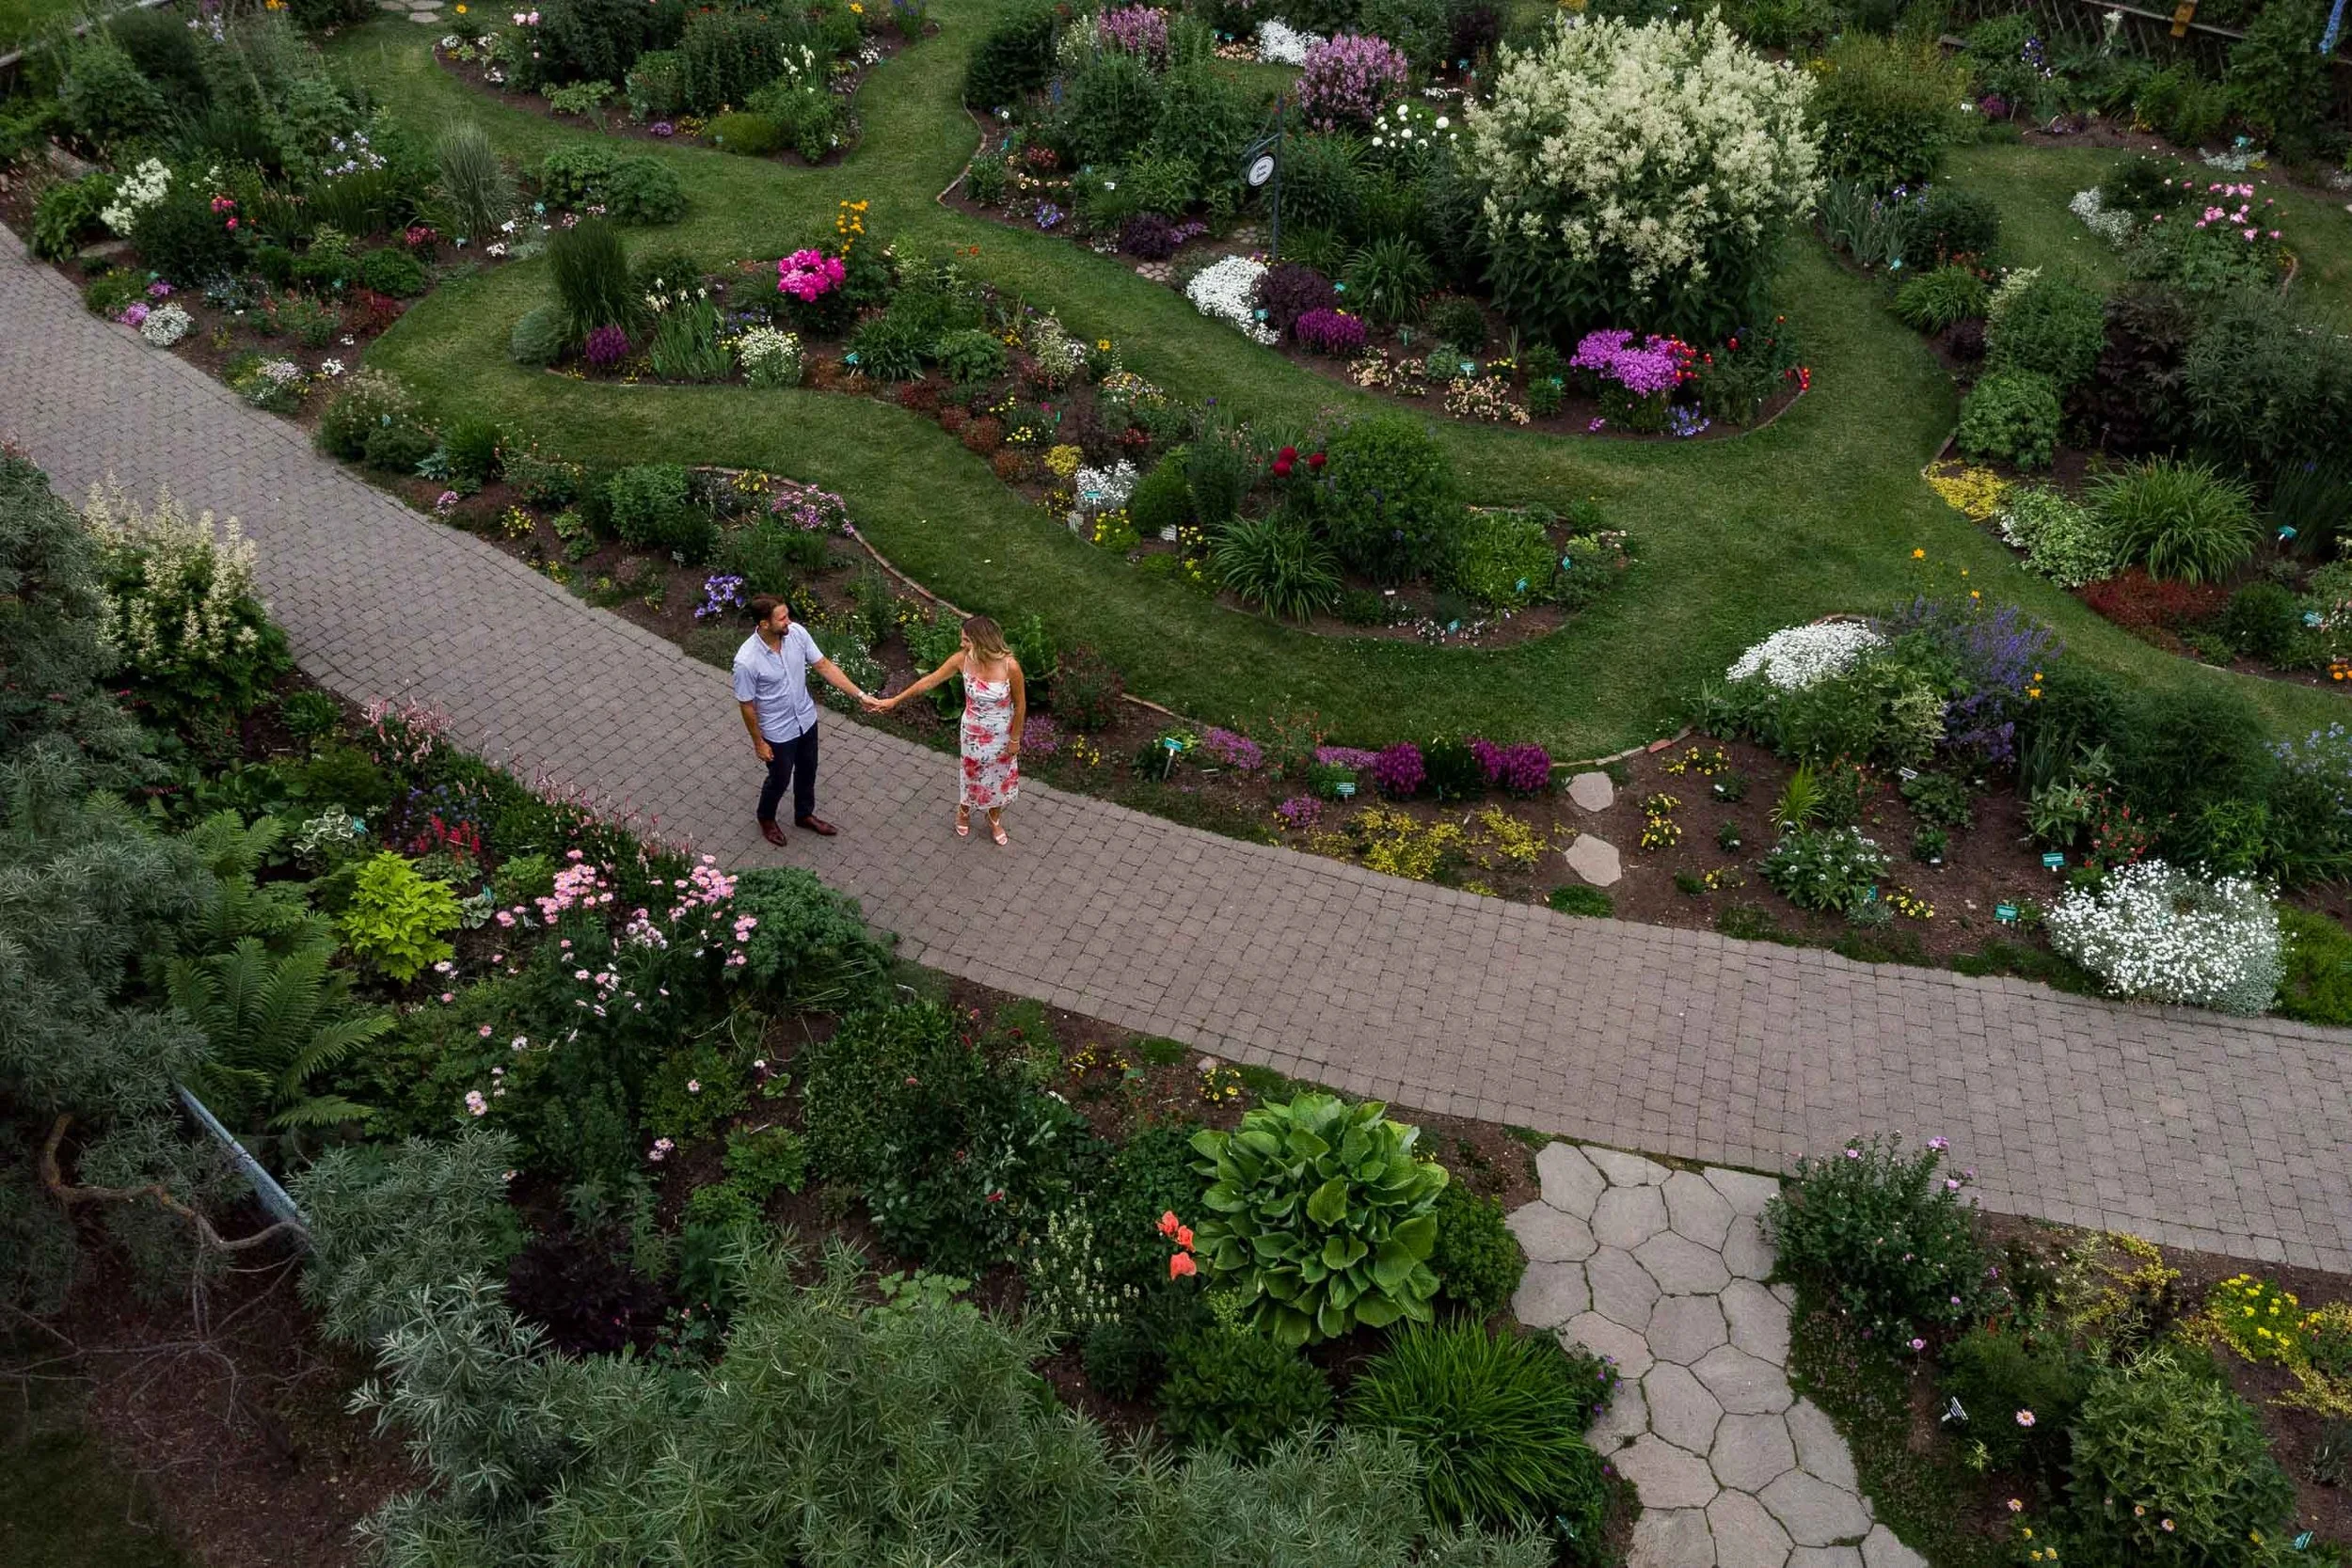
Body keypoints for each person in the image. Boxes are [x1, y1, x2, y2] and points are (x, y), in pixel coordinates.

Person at [869, 614, 1024, 845]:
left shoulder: (1010, 666)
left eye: (966, 640)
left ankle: (994, 818)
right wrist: (895, 700)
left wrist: (1015, 739)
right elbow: (929, 681)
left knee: (999, 777)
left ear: (982, 640)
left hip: (1002, 734)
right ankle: (964, 810)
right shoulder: (961, 660)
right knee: (972, 774)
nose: (962, 644)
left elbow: (1020, 705)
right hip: (973, 733)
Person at [733, 595, 871, 847]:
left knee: (808, 770)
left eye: (787, 615)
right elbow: (747, 705)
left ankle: (804, 815)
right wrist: (758, 743)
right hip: (777, 731)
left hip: (806, 720)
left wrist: (859, 695)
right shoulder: (746, 661)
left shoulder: (796, 634)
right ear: (764, 624)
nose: (789, 622)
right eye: (782, 618)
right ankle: (766, 818)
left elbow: (824, 666)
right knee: (780, 779)